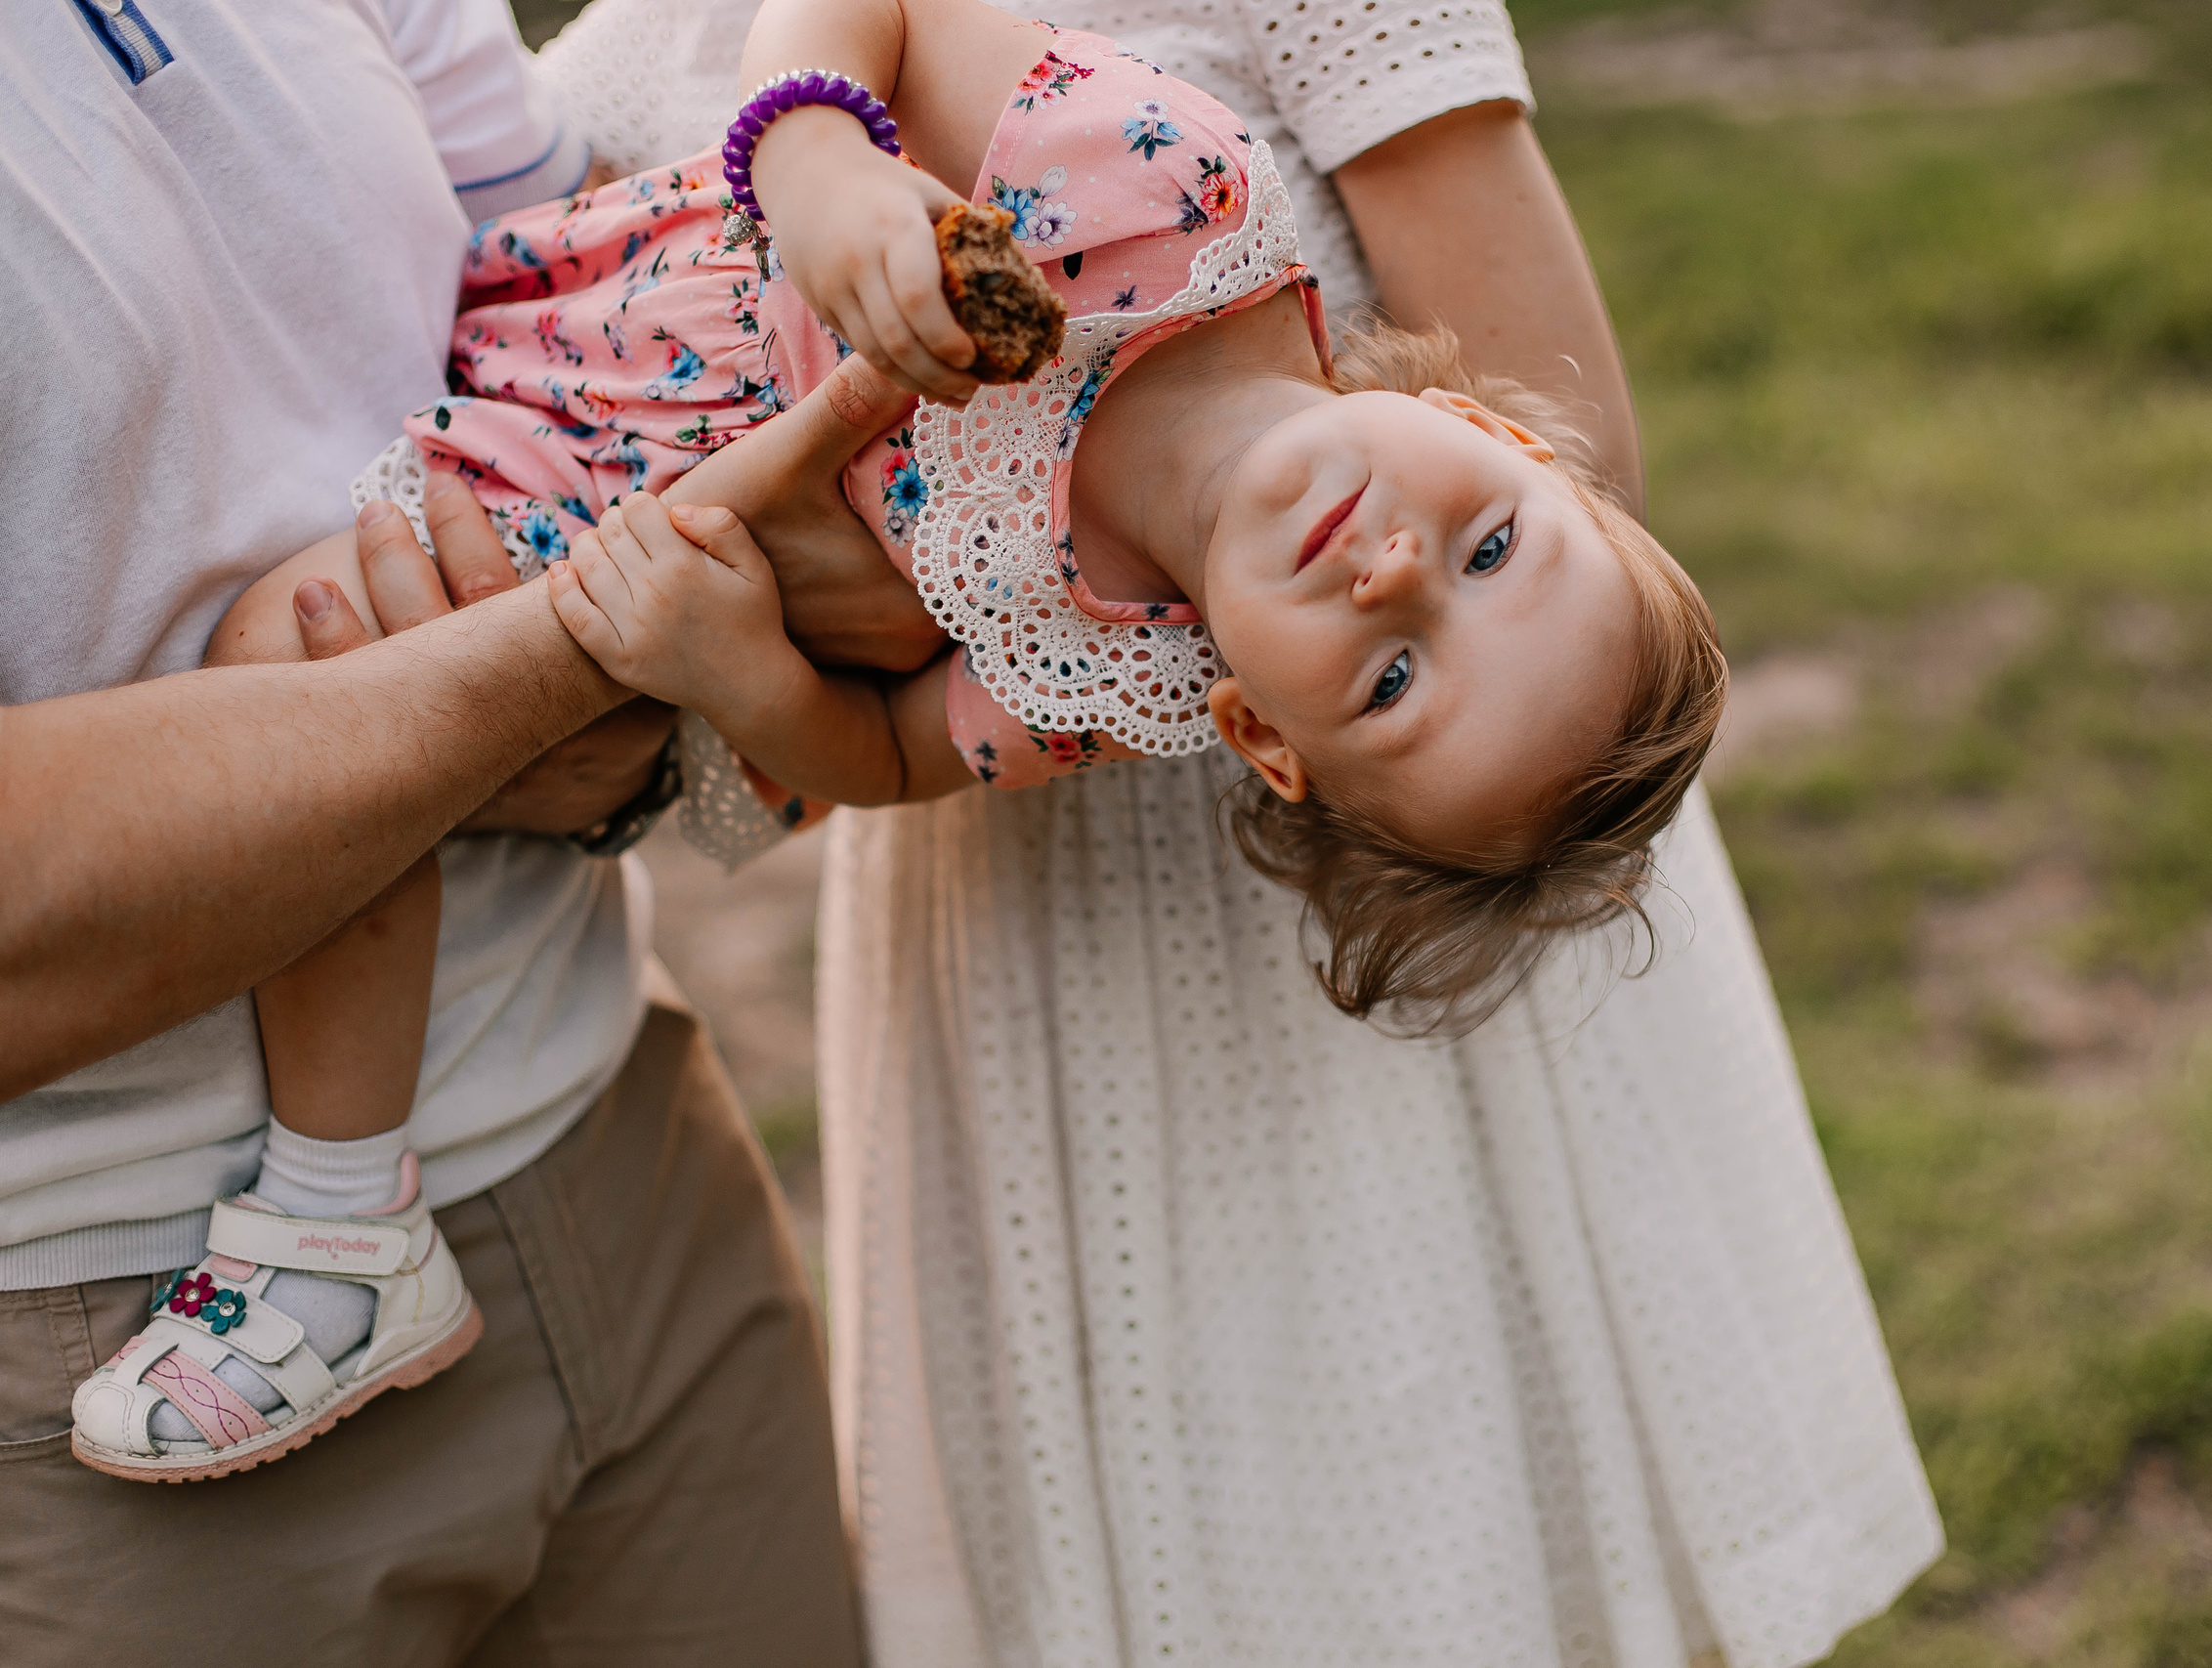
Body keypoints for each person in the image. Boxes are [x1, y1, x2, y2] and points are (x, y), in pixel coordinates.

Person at [529, 1, 1941, 1662]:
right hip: (1032, 958)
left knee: (1427, 1519)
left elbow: (1575, 467)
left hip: (1406, 907)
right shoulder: (1128, 202)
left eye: (1427, 620)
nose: (1404, 575)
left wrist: (1170, 561)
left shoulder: (1229, 633)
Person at [0, 0, 909, 1652]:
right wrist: (549, 668)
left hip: (629, 1172)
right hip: (102, 1348)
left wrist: (626, 725)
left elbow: (609, 341)